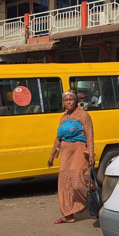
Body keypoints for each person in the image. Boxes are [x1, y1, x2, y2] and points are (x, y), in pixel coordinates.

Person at [48, 91, 95, 224]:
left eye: (71, 99)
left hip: (79, 150)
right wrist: (52, 155)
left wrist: (91, 153)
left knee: (78, 181)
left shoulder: (83, 115)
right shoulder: (63, 117)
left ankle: (95, 204)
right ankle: (68, 215)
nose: (68, 102)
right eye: (66, 100)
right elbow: (58, 137)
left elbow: (90, 135)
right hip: (66, 153)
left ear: (75, 101)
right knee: (64, 183)